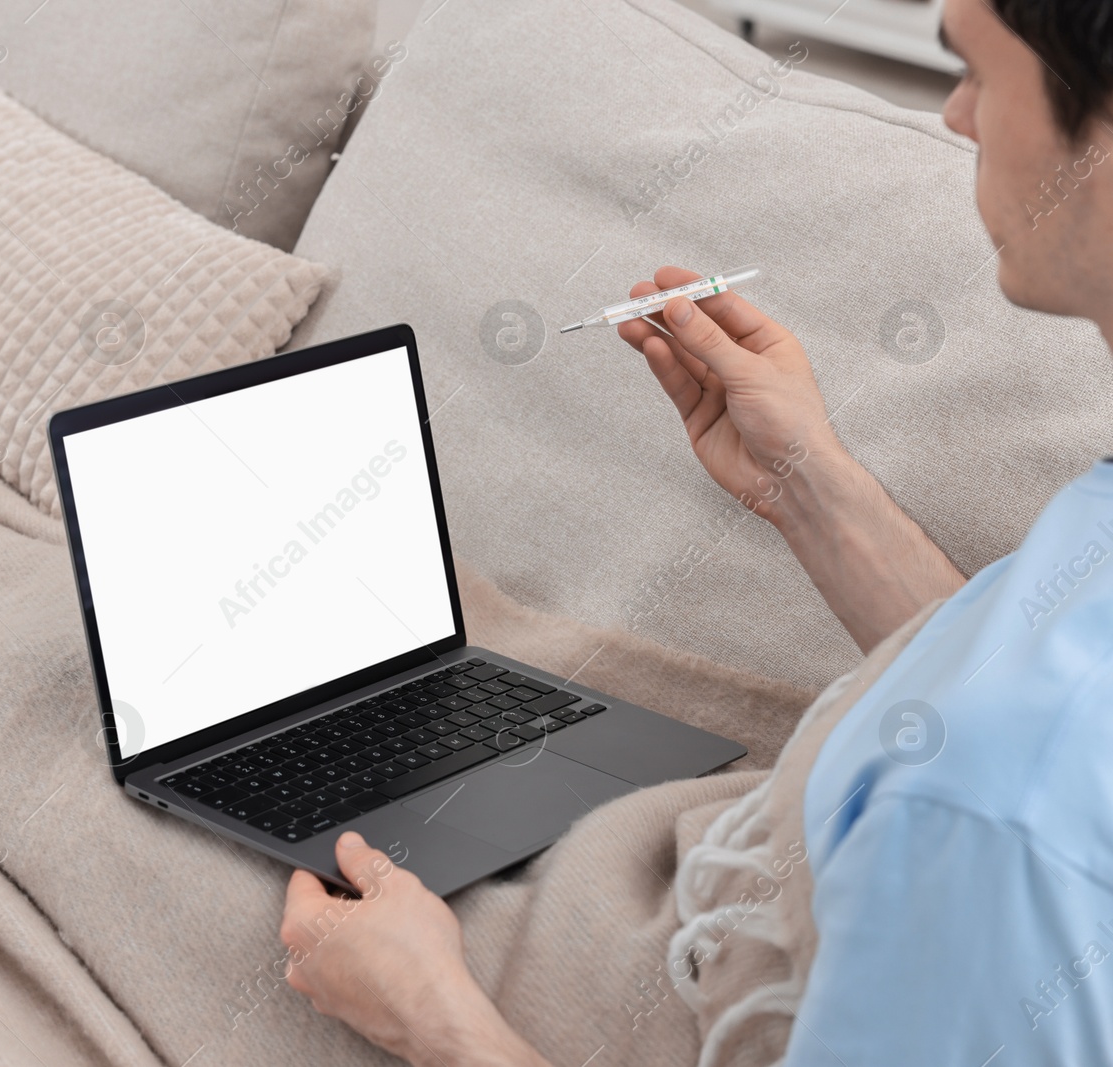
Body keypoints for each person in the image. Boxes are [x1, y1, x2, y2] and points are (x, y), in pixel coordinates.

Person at [278, 0, 1113, 1061]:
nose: (954, 117)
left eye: (981, 74)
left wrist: (428, 1016)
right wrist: (801, 478)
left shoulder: (988, 818)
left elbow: (1014, 766)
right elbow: (1017, 674)